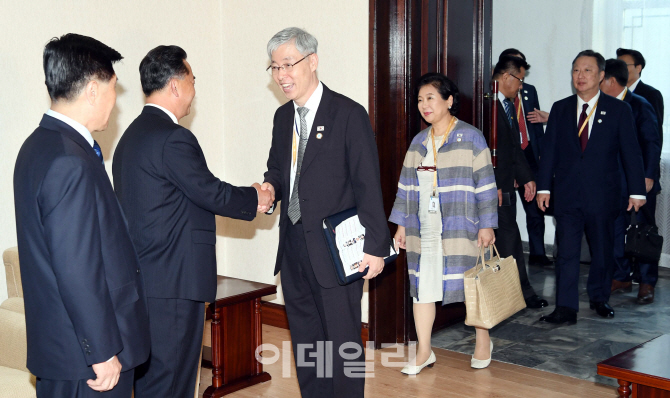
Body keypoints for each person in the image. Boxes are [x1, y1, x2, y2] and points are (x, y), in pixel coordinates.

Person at [112, 46, 268, 397]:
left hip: (145, 281)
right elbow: (209, 191)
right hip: (174, 283)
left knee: (152, 379)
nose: (195, 91)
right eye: (193, 80)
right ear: (176, 85)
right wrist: (255, 197)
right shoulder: (173, 137)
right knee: (174, 383)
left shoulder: (130, 138)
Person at [13, 33, 150, 397]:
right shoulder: (68, 160)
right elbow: (77, 268)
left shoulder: (37, 146)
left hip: (64, 350)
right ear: (92, 89)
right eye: (113, 89)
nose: (114, 102)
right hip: (87, 362)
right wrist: (103, 350)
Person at [260, 27, 390, 398]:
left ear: (312, 61)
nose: (282, 75)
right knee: (308, 346)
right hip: (294, 250)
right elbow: (279, 170)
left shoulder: (348, 114)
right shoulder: (283, 118)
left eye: (288, 64)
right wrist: (269, 188)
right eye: (274, 67)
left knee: (343, 345)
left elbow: (368, 184)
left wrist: (376, 247)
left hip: (336, 253)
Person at [390, 73, 498, 373]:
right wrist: (400, 224)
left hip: (462, 225)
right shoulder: (418, 142)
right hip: (424, 227)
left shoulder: (470, 137)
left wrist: (487, 224)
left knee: (472, 283)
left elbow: (486, 185)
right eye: (420, 100)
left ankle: (483, 340)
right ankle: (424, 350)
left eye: (431, 98)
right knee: (422, 286)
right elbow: (406, 187)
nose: (424, 105)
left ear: (449, 101)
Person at [536, 50, 646, 325]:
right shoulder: (561, 108)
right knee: (567, 253)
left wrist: (636, 191)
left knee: (603, 251)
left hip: (603, 195)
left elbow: (631, 153)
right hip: (568, 195)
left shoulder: (619, 109)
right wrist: (543, 188)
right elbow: (549, 151)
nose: (580, 76)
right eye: (576, 70)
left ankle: (599, 297)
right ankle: (565, 308)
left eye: (587, 70)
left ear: (600, 76)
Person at [600, 58, 661, 304]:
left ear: (611, 81)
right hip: (612, 182)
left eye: (600, 78)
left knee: (643, 232)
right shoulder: (602, 105)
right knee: (615, 231)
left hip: (638, 182)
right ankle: (621, 276)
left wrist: (646, 176)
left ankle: (647, 282)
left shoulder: (639, 105)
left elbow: (652, 143)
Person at [491, 55, 548, 309]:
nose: (521, 86)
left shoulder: (507, 105)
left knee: (508, 239)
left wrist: (527, 178)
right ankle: (519, 294)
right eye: (519, 80)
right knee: (509, 239)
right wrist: (492, 186)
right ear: (506, 77)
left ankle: (517, 294)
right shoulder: (487, 105)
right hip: (493, 188)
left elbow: (515, 147)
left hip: (506, 186)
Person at [499, 49, 552, 267]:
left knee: (535, 207)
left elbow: (534, 124)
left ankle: (538, 253)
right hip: (508, 158)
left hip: (529, 153)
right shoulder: (493, 96)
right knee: (508, 213)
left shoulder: (529, 91)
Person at [617, 48, 664, 149]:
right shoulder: (615, 94)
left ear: (638, 68)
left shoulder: (651, 94)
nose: (619, 70)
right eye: (618, 66)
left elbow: (655, 134)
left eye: (624, 65)